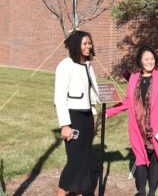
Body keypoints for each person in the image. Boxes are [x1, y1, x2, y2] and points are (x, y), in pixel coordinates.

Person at [106, 45, 158, 196]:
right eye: (146, 59)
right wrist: (108, 112)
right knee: (140, 158)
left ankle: (152, 192)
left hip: (156, 128)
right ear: (140, 61)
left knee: (156, 158)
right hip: (137, 127)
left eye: (152, 58)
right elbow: (127, 102)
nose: (150, 61)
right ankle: (142, 190)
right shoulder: (134, 79)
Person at [54, 30, 100, 196]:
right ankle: (60, 192)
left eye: (89, 43)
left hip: (88, 117)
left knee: (85, 160)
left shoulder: (88, 65)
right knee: (75, 161)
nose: (88, 46)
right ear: (76, 46)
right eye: (85, 44)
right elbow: (59, 97)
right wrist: (65, 125)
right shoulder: (65, 65)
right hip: (74, 118)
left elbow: (93, 90)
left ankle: (79, 192)